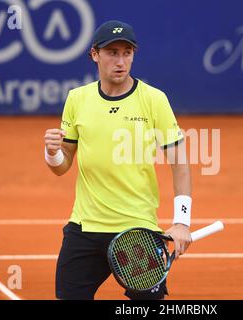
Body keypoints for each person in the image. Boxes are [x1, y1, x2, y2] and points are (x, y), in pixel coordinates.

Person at [44, 20, 193, 300]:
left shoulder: (154, 100)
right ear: (94, 55)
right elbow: (63, 166)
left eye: (127, 52)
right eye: (112, 52)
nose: (120, 61)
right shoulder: (77, 99)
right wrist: (52, 153)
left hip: (136, 229)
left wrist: (182, 221)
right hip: (85, 227)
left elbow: (180, 164)